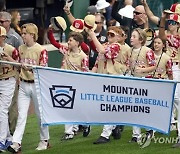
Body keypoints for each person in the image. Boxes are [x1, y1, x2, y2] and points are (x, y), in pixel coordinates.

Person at [7, 23, 50, 153]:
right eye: (22, 33)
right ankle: (16, 143)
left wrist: (29, 67)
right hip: (24, 84)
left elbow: (43, 67)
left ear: (32, 35)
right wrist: (8, 58)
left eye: (25, 33)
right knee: (21, 115)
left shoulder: (41, 50)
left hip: (37, 84)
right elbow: (19, 64)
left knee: (40, 114)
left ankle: (45, 140)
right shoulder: (20, 48)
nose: (23, 35)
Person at [48, 26, 89, 140]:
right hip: (65, 82)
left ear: (77, 43)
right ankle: (69, 132)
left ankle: (84, 124)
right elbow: (53, 42)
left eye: (70, 40)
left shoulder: (83, 56)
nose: (68, 42)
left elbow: (85, 72)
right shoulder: (65, 50)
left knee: (78, 107)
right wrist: (50, 31)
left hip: (78, 84)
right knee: (67, 106)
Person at [91, 26, 130, 144]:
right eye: (108, 34)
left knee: (110, 107)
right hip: (104, 78)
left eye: (112, 35)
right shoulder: (105, 45)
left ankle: (105, 134)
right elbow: (97, 63)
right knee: (107, 106)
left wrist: (92, 35)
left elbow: (102, 52)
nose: (109, 36)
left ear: (118, 37)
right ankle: (115, 126)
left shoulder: (116, 46)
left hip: (114, 77)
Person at [128, 28, 156, 142]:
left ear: (141, 39)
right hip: (134, 80)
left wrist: (143, 70)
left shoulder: (148, 51)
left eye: (134, 36)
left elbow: (153, 66)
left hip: (145, 81)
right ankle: (136, 135)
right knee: (134, 108)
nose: (131, 38)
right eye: (131, 36)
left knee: (144, 108)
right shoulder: (129, 51)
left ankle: (149, 129)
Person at [159, 12, 180, 148]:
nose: (170, 24)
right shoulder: (170, 36)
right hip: (168, 68)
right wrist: (162, 19)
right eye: (169, 22)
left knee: (177, 100)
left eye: (173, 22)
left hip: (177, 68)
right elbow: (161, 36)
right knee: (170, 99)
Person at [0, 11, 23, 135]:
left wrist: (19, 77)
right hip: (1, 76)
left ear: (8, 22)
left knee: (11, 108)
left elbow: (21, 60)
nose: (0, 23)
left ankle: (13, 135)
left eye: (2, 21)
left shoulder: (15, 38)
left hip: (12, 77)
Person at [0, 26, 19, 152]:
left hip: (8, 80)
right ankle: (7, 138)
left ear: (3, 37)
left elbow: (19, 66)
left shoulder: (11, 49)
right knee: (1, 110)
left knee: (2, 110)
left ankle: (1, 140)